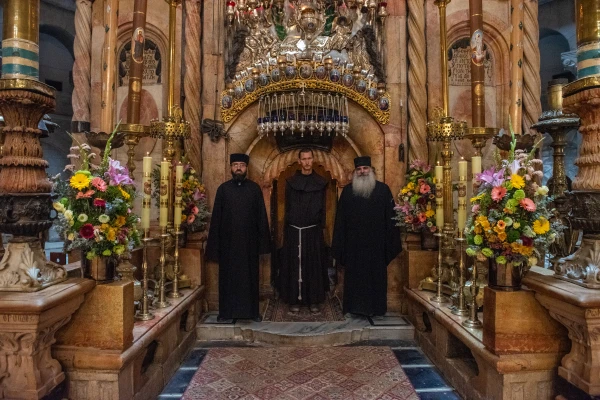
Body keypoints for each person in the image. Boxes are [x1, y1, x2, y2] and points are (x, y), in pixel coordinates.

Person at [332, 156, 401, 317]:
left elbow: (391, 220)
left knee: (375, 279)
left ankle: (376, 309)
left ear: (371, 170)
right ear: (355, 172)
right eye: (359, 169)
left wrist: (389, 244)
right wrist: (340, 246)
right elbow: (340, 221)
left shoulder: (383, 191)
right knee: (355, 280)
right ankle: (353, 308)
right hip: (353, 247)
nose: (362, 172)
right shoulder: (348, 192)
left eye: (365, 168)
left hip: (376, 247)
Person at [206, 153, 270, 322]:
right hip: (228, 246)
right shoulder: (223, 189)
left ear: (246, 167)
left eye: (242, 164)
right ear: (231, 168)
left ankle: (252, 313)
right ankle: (226, 313)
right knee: (228, 280)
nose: (239, 168)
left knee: (250, 279)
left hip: (250, 244)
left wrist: (263, 244)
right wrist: (215, 247)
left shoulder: (254, 189)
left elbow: (261, 217)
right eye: (235, 165)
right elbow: (216, 220)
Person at [278, 148, 329, 314]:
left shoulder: (321, 182)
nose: (307, 162)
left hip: (313, 232)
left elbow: (323, 208)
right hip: (294, 231)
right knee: (295, 266)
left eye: (309, 158)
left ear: (313, 160)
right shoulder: (291, 182)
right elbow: (288, 208)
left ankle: (314, 300)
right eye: (304, 159)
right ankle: (295, 299)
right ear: (299, 161)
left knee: (313, 265)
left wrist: (320, 228)